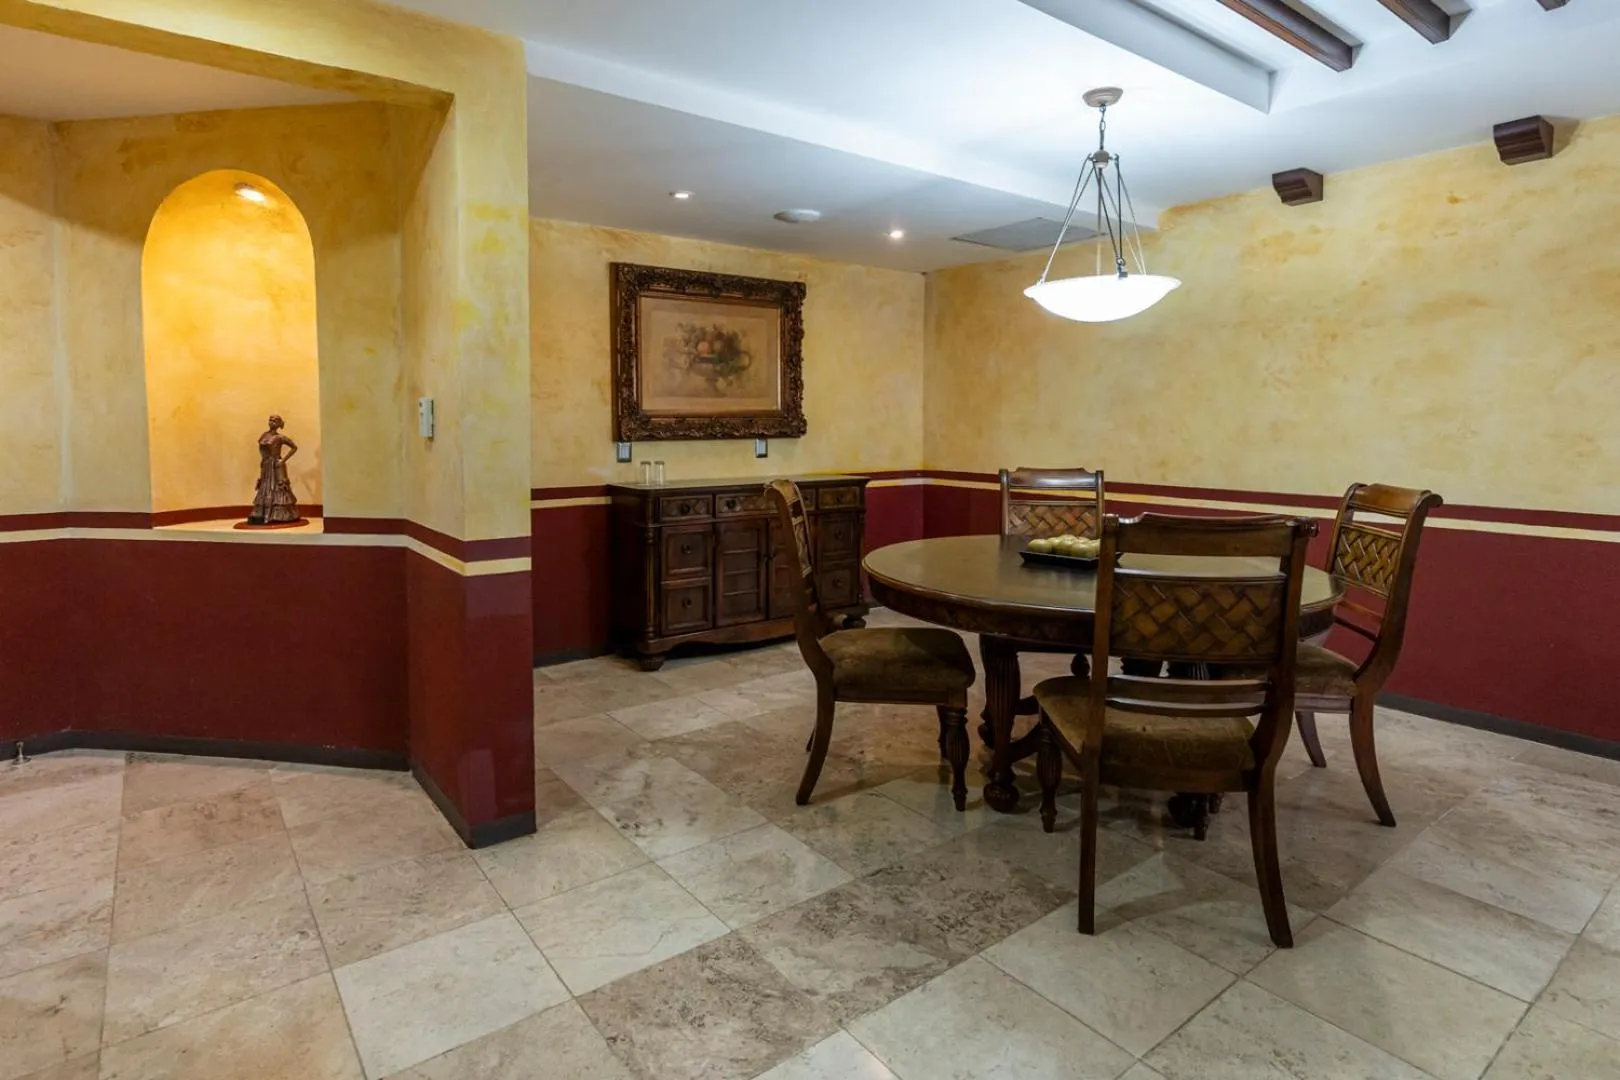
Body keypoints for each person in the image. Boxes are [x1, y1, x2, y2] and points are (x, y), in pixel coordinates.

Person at [247, 414, 300, 525]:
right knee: (265, 487)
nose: (271, 422)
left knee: (278, 487)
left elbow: (294, 447)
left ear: (278, 424)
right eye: (270, 420)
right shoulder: (264, 435)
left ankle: (279, 515)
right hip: (266, 465)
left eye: (274, 421)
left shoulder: (280, 437)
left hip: (276, 465)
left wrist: (283, 460)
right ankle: (261, 514)